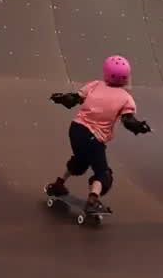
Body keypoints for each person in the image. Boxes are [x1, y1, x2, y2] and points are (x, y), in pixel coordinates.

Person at [45, 55, 151, 213]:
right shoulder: (126, 99)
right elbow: (129, 121)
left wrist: (60, 98)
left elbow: (73, 99)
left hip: (75, 130)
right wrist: (141, 127)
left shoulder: (95, 85)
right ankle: (93, 201)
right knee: (103, 174)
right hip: (93, 138)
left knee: (80, 161)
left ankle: (58, 185)